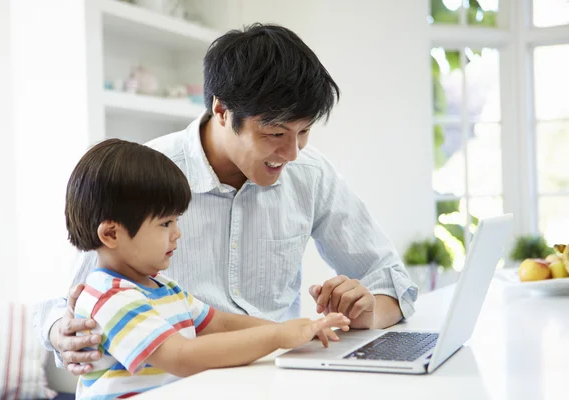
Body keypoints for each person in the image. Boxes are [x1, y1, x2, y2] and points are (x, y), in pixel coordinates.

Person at [34, 23, 418, 375]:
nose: (293, 154)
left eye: (304, 132)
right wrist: (59, 332)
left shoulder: (311, 173)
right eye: (275, 134)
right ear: (221, 110)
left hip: (279, 378)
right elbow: (66, 301)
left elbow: (393, 282)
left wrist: (366, 311)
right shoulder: (144, 177)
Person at [66, 138, 350, 398]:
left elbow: (220, 323)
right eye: (165, 224)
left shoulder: (163, 287)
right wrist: (277, 336)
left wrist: (293, 330)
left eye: (177, 221)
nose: (177, 233)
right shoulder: (110, 298)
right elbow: (182, 356)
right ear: (112, 234)